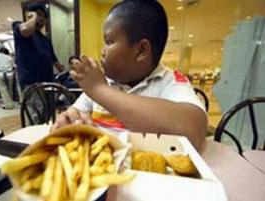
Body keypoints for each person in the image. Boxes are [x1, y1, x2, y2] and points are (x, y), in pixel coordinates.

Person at [53, 0, 207, 149]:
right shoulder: (104, 80)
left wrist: (100, 89)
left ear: (141, 51)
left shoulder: (169, 81)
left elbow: (193, 128)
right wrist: (69, 119)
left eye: (109, 41)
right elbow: (75, 114)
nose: (102, 51)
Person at [12, 2, 63, 93]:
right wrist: (33, 17)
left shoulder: (45, 40)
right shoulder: (18, 26)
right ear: (30, 14)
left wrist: (67, 73)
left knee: (50, 107)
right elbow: (25, 30)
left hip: (48, 82)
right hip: (31, 84)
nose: (42, 18)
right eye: (39, 14)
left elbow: (54, 60)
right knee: (37, 107)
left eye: (44, 17)